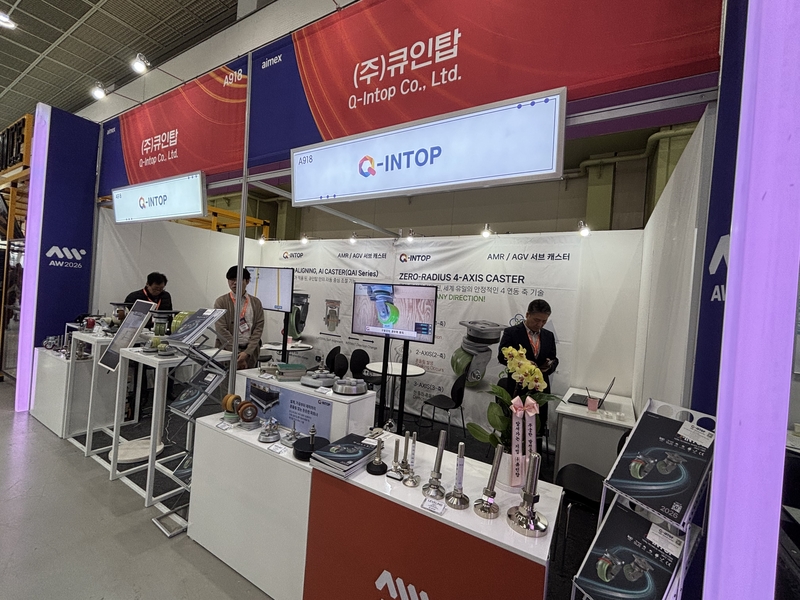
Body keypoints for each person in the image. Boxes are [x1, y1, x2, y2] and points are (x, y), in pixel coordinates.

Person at [498, 299, 559, 424]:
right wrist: (524, 365)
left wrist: (549, 366)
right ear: (527, 315)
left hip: (539, 389)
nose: (540, 324)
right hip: (518, 388)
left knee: (537, 426)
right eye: (536, 320)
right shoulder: (512, 333)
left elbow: (554, 358)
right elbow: (502, 357)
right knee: (516, 426)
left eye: (544, 321)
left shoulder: (549, 336)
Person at [214, 266, 264, 370]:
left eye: (239, 280)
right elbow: (221, 329)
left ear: (247, 281)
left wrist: (247, 353)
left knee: (247, 380)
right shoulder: (221, 302)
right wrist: (237, 353)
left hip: (249, 353)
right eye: (232, 280)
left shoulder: (256, 303)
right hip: (227, 352)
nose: (235, 283)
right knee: (227, 379)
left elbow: (258, 329)